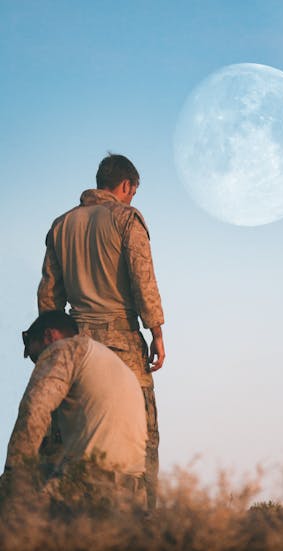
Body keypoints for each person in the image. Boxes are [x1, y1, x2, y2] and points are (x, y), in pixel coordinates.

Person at [37, 154, 164, 509]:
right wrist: (157, 333)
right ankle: (145, 521)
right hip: (122, 344)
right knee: (142, 436)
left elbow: (48, 295)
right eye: (133, 191)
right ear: (126, 185)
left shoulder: (61, 225)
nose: (132, 198)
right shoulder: (127, 219)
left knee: (68, 434)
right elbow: (143, 279)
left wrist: (53, 347)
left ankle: (58, 519)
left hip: (74, 342)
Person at [3, 311, 147, 508]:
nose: (39, 367)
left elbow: (33, 412)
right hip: (133, 496)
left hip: (90, 486)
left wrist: (12, 479)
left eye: (38, 357)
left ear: (49, 336)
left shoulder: (65, 349)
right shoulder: (114, 364)